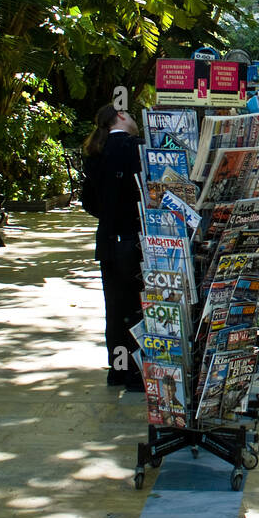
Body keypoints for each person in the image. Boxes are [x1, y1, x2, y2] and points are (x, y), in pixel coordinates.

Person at [81, 103, 145, 390]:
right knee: (136, 306)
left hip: (108, 241)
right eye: (130, 115)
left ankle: (118, 369)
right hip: (133, 240)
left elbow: (88, 201)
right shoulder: (133, 148)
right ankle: (134, 371)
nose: (133, 120)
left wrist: (109, 217)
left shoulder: (96, 153)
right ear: (120, 117)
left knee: (115, 308)